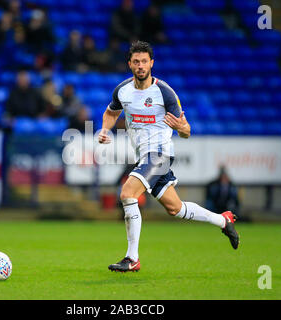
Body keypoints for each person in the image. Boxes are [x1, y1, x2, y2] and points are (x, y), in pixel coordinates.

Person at [98, 41, 240, 273]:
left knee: (127, 193)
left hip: (160, 155)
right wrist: (105, 130)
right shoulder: (122, 90)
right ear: (130, 64)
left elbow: (186, 131)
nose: (141, 66)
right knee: (176, 209)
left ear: (152, 63)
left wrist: (181, 128)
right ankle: (223, 221)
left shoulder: (164, 92)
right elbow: (111, 112)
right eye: (136, 62)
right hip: (144, 156)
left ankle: (132, 258)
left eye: (144, 61)